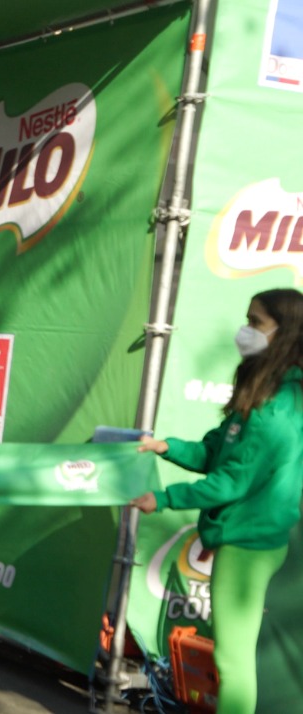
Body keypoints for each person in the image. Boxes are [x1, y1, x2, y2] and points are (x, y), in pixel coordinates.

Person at [130, 288, 303, 714]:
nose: (245, 331)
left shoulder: (277, 408)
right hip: (250, 537)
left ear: (284, 333)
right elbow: (216, 450)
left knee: (232, 659)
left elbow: (229, 483)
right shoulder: (267, 392)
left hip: (249, 544)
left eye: (255, 322)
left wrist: (164, 498)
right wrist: (166, 446)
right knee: (235, 654)